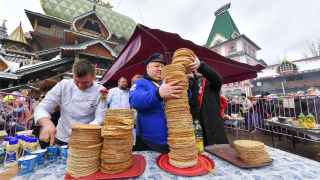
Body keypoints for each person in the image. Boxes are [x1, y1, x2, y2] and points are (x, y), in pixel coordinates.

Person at [34, 59, 107, 145]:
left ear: (93, 77)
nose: (80, 85)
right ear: (73, 75)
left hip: (85, 140)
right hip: (61, 137)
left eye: (85, 82)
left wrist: (84, 131)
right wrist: (46, 123)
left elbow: (100, 118)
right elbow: (42, 107)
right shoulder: (64, 85)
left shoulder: (100, 91)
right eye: (77, 81)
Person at [129, 53, 187, 153]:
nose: (160, 69)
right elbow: (135, 101)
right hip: (149, 140)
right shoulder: (141, 82)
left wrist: (185, 84)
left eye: (162, 67)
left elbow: (185, 98)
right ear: (147, 68)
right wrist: (158, 93)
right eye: (156, 66)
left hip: (172, 137)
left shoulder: (167, 82)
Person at [188, 58, 229, 146]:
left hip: (214, 126)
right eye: (194, 69)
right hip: (199, 128)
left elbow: (217, 79)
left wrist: (201, 66)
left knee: (219, 152)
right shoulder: (192, 85)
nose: (195, 70)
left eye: (196, 68)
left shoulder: (212, 84)